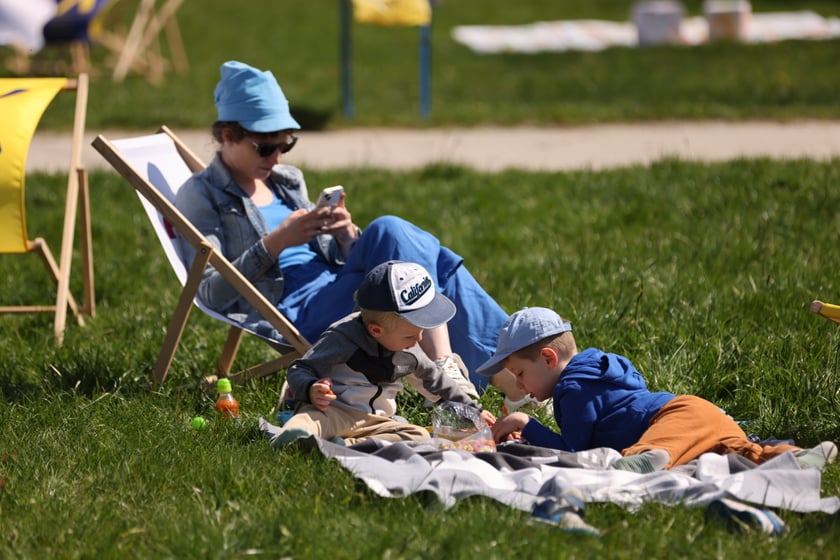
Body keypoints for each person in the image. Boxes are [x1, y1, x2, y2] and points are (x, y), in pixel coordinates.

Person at [174, 60, 532, 408]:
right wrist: (277, 242)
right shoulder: (201, 195)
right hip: (299, 310)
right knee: (415, 253)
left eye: (285, 145)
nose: (277, 158)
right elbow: (209, 292)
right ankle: (478, 370)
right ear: (227, 135)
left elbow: (334, 255)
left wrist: (345, 235)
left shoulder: (286, 181)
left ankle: (517, 383)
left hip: (336, 284)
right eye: (266, 147)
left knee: (408, 248)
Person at [477, 306, 838, 472]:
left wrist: (527, 424)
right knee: (739, 452)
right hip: (699, 414)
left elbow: (579, 452)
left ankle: (647, 461)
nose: (519, 384)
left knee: (653, 453)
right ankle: (796, 458)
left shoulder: (572, 389)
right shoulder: (597, 370)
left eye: (520, 373)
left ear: (548, 358)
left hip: (675, 417)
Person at [270, 260, 495, 448]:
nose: (418, 341)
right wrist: (310, 389)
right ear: (376, 330)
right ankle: (293, 436)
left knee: (420, 436)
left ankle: (344, 446)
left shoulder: (410, 349)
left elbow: (437, 381)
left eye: (421, 333)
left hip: (379, 421)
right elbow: (301, 368)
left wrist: (473, 412)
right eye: (410, 336)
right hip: (334, 412)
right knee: (308, 421)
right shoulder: (342, 337)